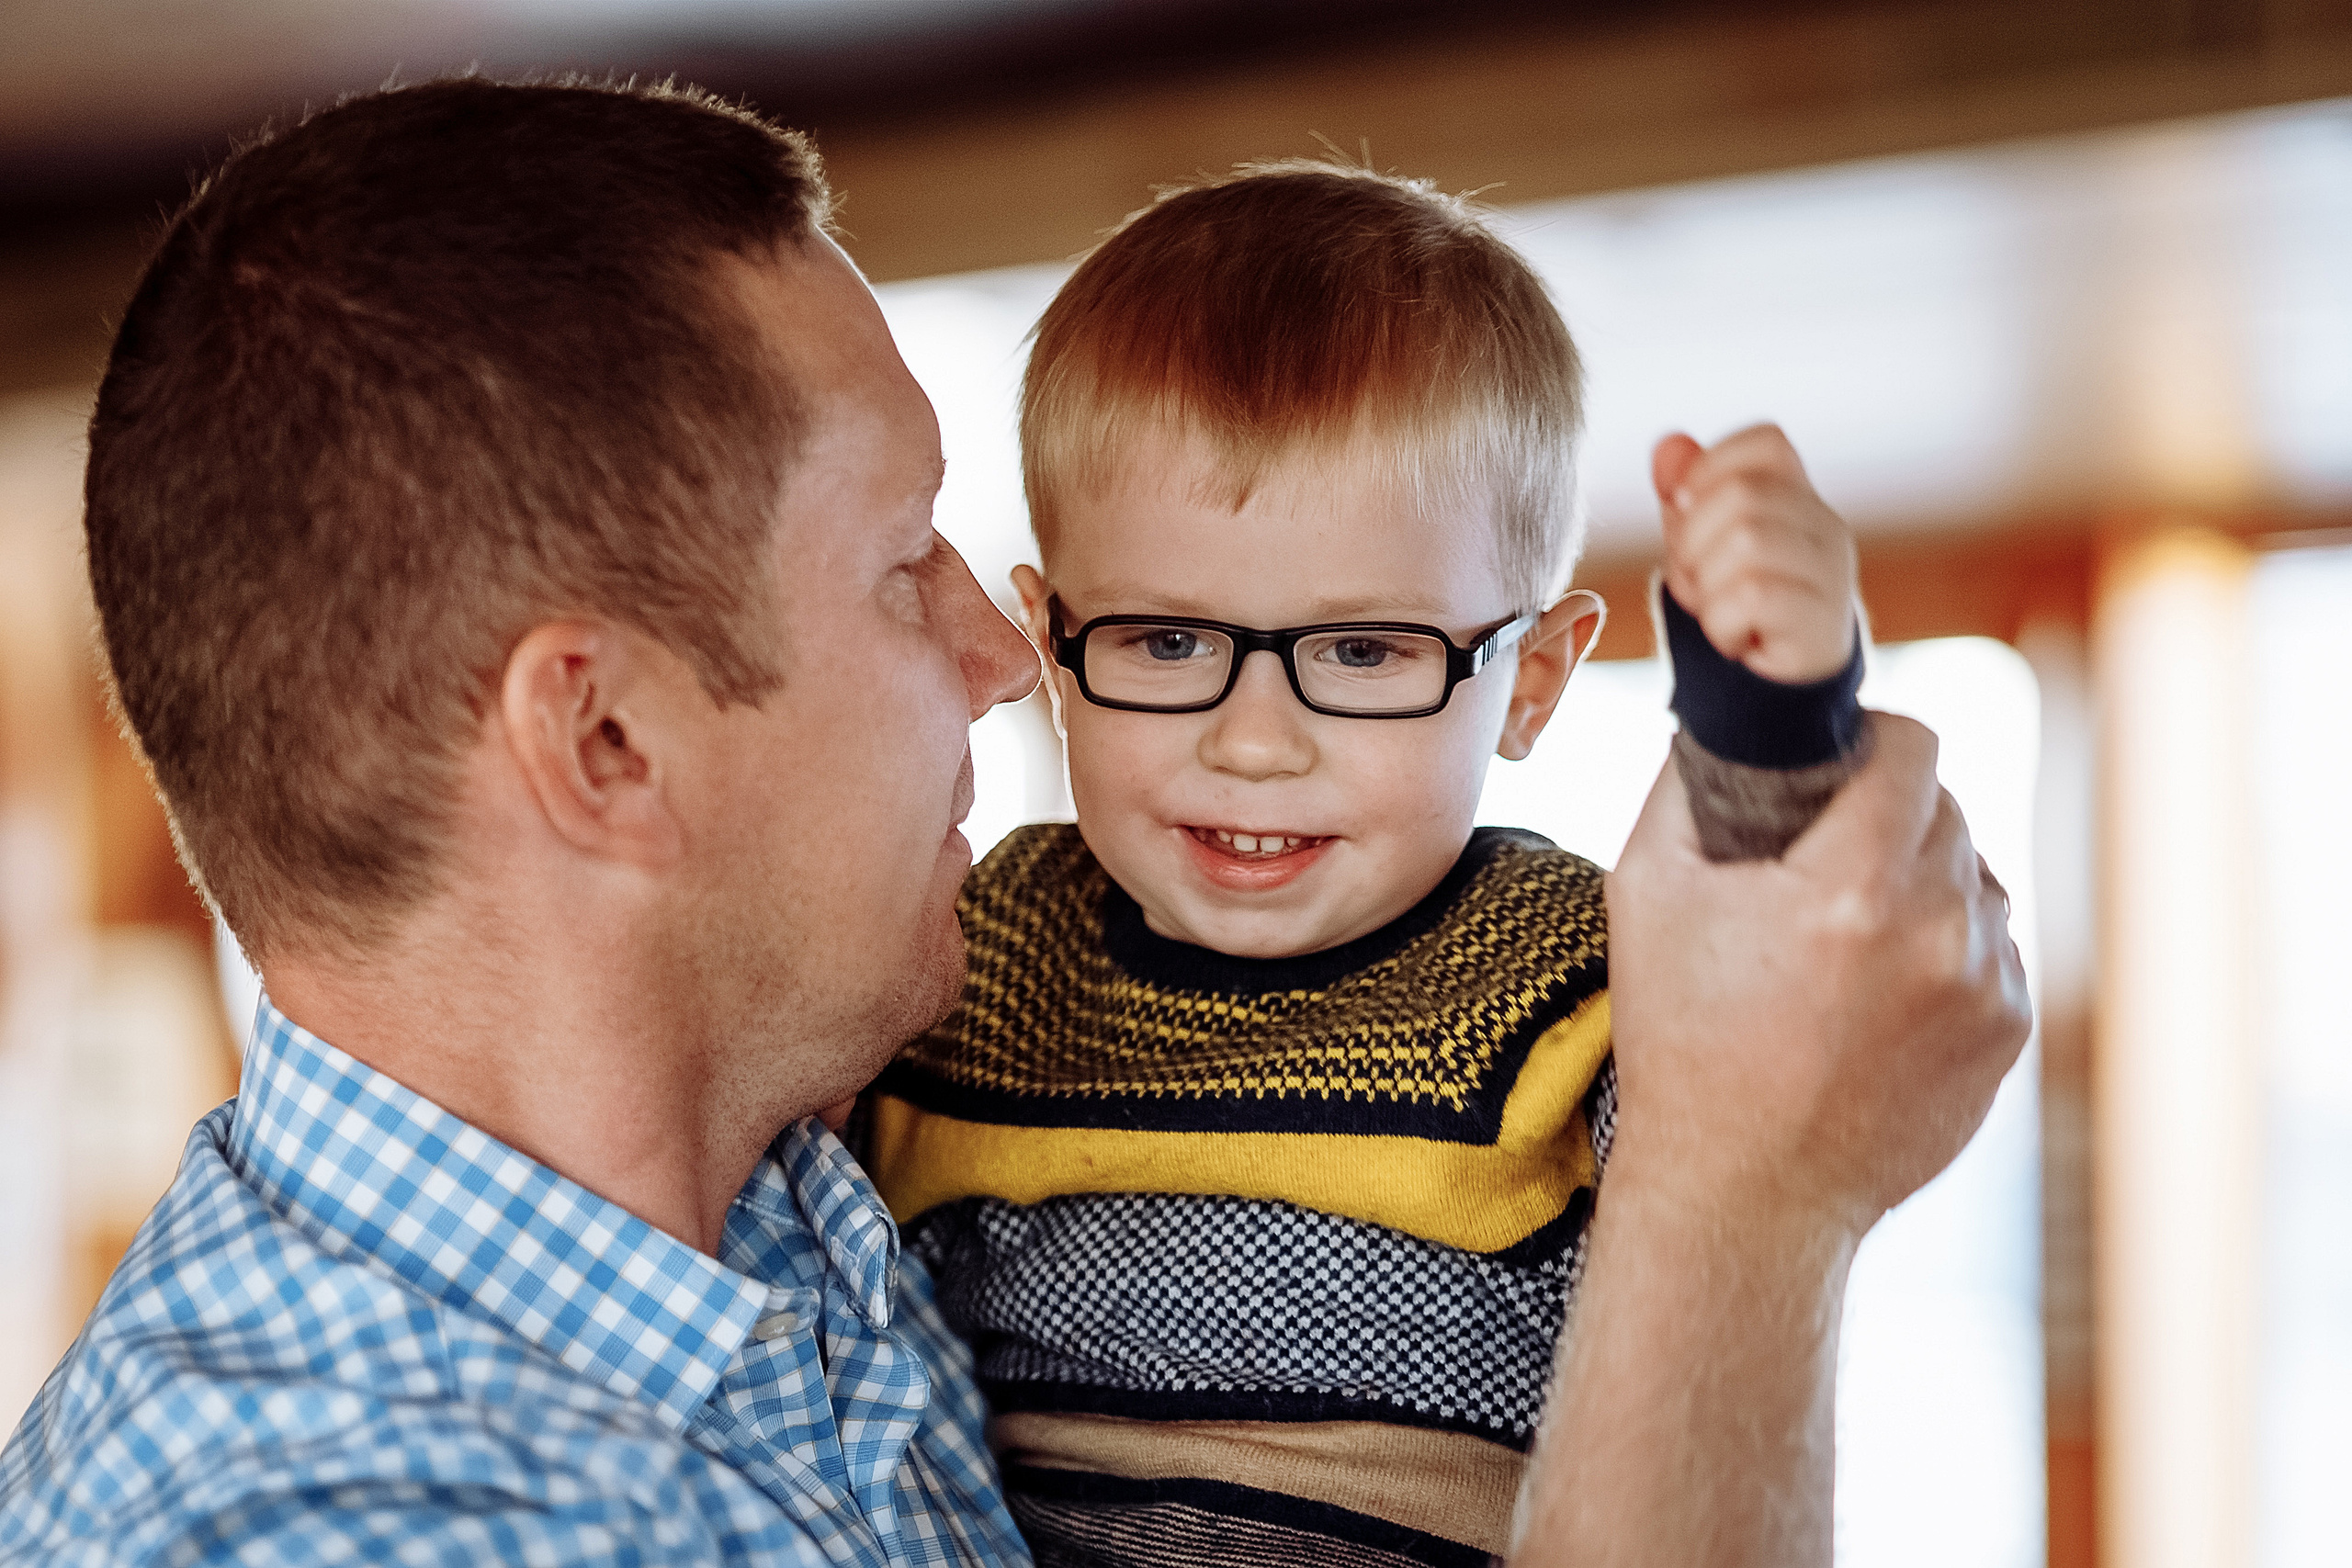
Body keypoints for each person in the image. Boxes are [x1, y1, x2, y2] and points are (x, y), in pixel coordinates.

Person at [0, 77, 2029, 1567]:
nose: (999, 653)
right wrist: (1754, 1211)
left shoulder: (783, 1197)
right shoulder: (350, 1524)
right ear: (602, 738)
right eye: (905, 569)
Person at [859, 164, 1875, 1565]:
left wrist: (1774, 719)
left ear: (1531, 682)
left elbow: (1779, 1022)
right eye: (1164, 640)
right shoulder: (976, 946)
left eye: (1363, 652)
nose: (1255, 742)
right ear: (1050, 644)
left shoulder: (1573, 965)